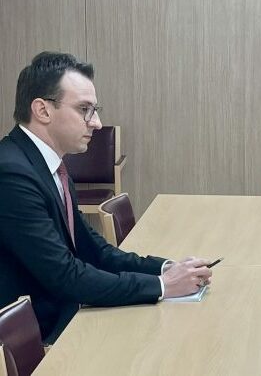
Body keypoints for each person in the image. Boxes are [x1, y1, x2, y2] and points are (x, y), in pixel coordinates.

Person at [0, 52, 214, 344]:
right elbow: (65, 276)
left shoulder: (49, 166)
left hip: (65, 318)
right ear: (42, 110)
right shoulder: (12, 173)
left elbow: (93, 250)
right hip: (38, 341)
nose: (97, 123)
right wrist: (162, 286)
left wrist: (165, 269)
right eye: (84, 109)